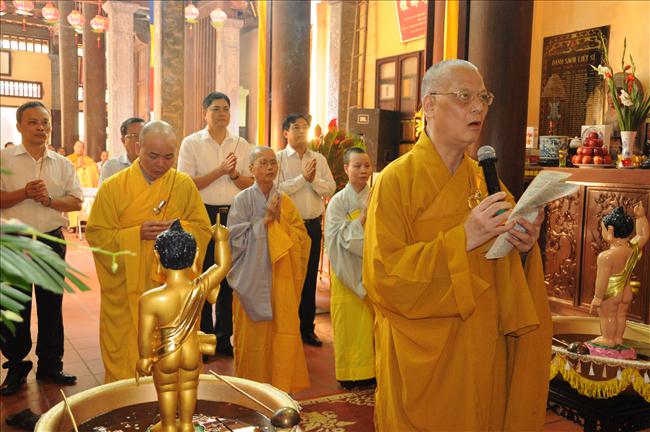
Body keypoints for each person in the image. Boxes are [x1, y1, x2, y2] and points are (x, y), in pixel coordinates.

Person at [362, 60, 552, 431]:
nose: (478, 107)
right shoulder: (395, 181)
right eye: (464, 96)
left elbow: (508, 276)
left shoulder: (485, 182)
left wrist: (524, 248)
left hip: (482, 348)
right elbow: (383, 277)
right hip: (423, 355)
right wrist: (462, 238)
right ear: (429, 105)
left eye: (483, 97)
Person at [86, 120, 212, 383]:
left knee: (174, 363)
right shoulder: (113, 187)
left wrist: (180, 229)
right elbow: (97, 235)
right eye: (153, 156)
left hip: (172, 294)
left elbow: (202, 228)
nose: (161, 164)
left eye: (169, 157)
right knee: (126, 357)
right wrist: (136, 234)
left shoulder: (183, 184)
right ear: (138, 148)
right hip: (126, 292)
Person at [0, 101, 83, 395]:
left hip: (50, 240)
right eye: (33, 122)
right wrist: (24, 193)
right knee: (15, 308)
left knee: (51, 307)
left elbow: (76, 201)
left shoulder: (62, 164)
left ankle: (50, 364)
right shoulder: (5, 159)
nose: (41, 128)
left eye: (45, 122)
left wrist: (49, 201)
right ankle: (16, 366)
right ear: (20, 126)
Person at [227, 147, 310, 393]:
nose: (270, 167)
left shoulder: (285, 202)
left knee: (280, 334)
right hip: (250, 280)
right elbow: (233, 240)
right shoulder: (242, 200)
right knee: (252, 341)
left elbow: (301, 238)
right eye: (263, 163)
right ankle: (251, 390)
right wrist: (265, 222)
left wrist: (279, 221)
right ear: (251, 168)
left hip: (279, 278)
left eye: (273, 163)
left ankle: (280, 388)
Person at [178, 92, 254, 358]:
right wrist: (220, 171)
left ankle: (224, 339)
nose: (222, 114)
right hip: (202, 215)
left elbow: (249, 183)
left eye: (226, 109)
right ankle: (205, 338)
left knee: (228, 279)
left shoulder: (241, 144)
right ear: (204, 113)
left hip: (233, 215)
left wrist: (233, 174)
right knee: (204, 276)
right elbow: (187, 184)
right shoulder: (191, 143)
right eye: (216, 109)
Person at [137, 219, 231, 432]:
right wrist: (221, 240)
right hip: (191, 349)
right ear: (195, 256)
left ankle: (169, 426)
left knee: (166, 390)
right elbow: (222, 266)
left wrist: (143, 359)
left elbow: (144, 336)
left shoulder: (150, 299)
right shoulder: (198, 287)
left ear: (158, 257)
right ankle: (187, 424)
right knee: (189, 387)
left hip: (165, 353)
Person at [276, 114, 336, 347]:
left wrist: (313, 181)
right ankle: (286, 328)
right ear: (286, 133)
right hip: (288, 226)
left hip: (312, 226)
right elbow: (277, 191)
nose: (301, 131)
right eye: (296, 127)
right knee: (287, 279)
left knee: (310, 279)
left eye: (304, 127)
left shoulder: (318, 159)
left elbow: (330, 188)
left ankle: (307, 329)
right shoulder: (279, 159)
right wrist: (303, 178)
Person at [324, 147, 375, 390]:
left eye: (367, 165)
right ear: (346, 169)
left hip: (371, 271)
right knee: (347, 324)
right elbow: (337, 238)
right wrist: (363, 218)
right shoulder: (337, 202)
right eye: (357, 166)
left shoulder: (376, 195)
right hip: (346, 273)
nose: (363, 170)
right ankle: (348, 374)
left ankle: (370, 372)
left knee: (369, 325)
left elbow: (385, 233)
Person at [590, 204, 648, 348]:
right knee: (621, 315)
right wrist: (641, 217)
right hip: (626, 290)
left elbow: (602, 280)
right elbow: (643, 235)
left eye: (603, 229)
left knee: (608, 315)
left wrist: (598, 297)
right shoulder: (632, 249)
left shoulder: (606, 256)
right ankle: (617, 339)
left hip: (611, 292)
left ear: (610, 231)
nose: (602, 233)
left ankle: (608, 339)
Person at [99, 117, 145, 185]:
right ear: (123, 141)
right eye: (135, 136)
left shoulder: (155, 166)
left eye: (144, 135)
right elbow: (103, 191)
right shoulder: (111, 167)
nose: (140, 140)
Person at [67, 140, 99, 231]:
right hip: (73, 188)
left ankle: (85, 222)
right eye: (78, 146)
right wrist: (77, 165)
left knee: (89, 202)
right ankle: (73, 225)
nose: (80, 149)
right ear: (74, 147)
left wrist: (86, 167)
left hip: (87, 189)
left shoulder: (89, 160)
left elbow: (95, 171)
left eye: (82, 147)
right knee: (73, 200)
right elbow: (65, 172)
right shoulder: (68, 159)